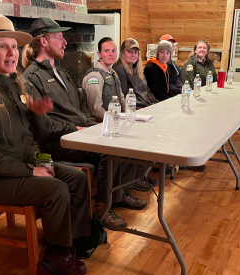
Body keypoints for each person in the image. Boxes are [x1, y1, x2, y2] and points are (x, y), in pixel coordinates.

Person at [0, 14, 90, 275]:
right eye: (2, 46)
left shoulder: (15, 82)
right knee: (55, 189)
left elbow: (36, 133)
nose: (11, 53)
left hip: (22, 165)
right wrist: (31, 171)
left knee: (76, 179)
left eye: (14, 47)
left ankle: (70, 246)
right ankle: (57, 255)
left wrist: (38, 114)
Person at [22, 18, 148, 227]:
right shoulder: (32, 77)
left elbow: (81, 108)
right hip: (58, 141)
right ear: (44, 42)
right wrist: (75, 128)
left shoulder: (62, 73)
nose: (64, 42)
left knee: (124, 139)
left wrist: (93, 125)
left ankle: (118, 194)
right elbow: (42, 126)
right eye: (59, 37)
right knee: (107, 151)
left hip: (78, 133)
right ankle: (103, 208)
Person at [82, 37, 157, 192]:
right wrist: (118, 120)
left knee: (141, 132)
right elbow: (95, 110)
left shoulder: (113, 74)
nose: (111, 54)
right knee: (131, 139)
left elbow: (123, 100)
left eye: (113, 50)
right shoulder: (94, 77)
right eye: (106, 51)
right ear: (99, 54)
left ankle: (131, 182)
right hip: (100, 126)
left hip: (115, 122)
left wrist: (129, 116)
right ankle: (121, 190)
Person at [113, 38, 159, 108]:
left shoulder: (138, 69)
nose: (133, 55)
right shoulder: (119, 69)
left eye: (135, 52)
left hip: (148, 106)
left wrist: (155, 103)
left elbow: (147, 91)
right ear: (122, 52)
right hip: (137, 109)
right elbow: (123, 97)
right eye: (129, 52)